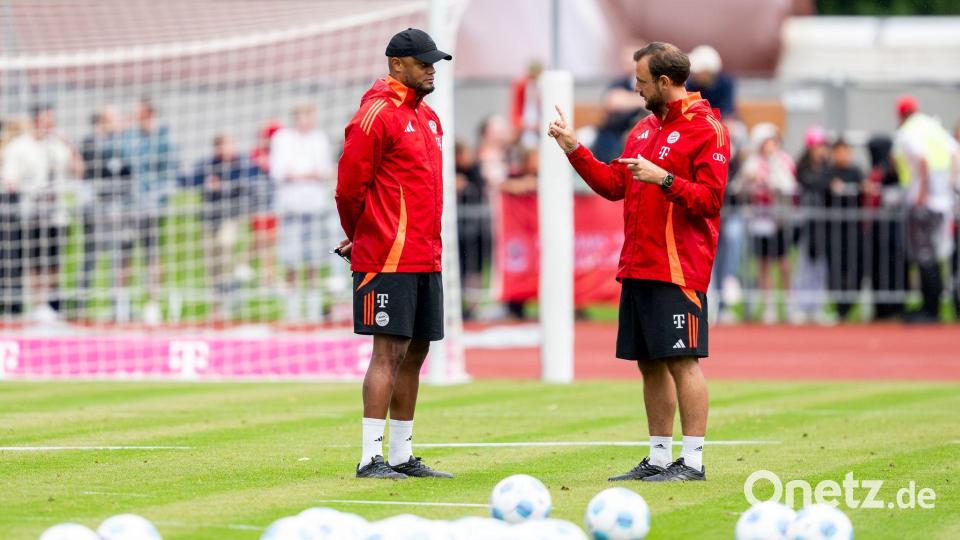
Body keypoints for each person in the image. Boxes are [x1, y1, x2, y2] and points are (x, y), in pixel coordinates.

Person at [548, 42, 729, 481]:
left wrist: (665, 179)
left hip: (678, 265)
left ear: (665, 83)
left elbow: (710, 199)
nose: (636, 88)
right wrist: (574, 148)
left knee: (684, 361)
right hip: (639, 264)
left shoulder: (708, 129)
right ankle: (660, 457)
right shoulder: (644, 129)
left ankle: (694, 462)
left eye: (642, 82)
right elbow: (614, 185)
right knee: (649, 363)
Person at [336, 28, 454, 480]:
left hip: (427, 256)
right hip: (387, 257)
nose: (431, 69)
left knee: (417, 352)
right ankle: (371, 458)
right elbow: (349, 188)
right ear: (396, 64)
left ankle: (403, 455)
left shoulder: (430, 119)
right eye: (423, 62)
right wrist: (360, 235)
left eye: (434, 63)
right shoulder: (376, 114)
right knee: (388, 353)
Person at [892, 95, 959, 323]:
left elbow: (921, 159)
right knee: (932, 254)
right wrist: (949, 185)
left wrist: (923, 192)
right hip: (943, 201)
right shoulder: (933, 126)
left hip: (923, 202)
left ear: (900, 114)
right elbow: (955, 153)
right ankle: (933, 305)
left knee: (923, 254)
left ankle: (931, 308)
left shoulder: (908, 131)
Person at [270, 104, 339, 322]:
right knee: (290, 259)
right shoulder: (283, 138)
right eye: (301, 117)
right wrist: (305, 174)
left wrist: (302, 174)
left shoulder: (319, 139)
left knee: (313, 259)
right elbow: (279, 171)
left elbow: (325, 171)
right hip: (290, 207)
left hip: (314, 207)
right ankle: (291, 311)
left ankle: (311, 310)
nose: (305, 121)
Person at [182, 134, 261, 319]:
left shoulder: (242, 164)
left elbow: (253, 181)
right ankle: (217, 303)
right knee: (212, 263)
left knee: (225, 247)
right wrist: (207, 183)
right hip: (210, 219)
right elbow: (188, 180)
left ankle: (233, 287)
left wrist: (226, 186)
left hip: (231, 217)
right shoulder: (208, 164)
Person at [122, 97, 177, 324]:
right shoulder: (130, 137)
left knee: (152, 254)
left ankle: (152, 303)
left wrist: (159, 199)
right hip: (130, 206)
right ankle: (123, 304)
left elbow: (170, 171)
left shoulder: (163, 138)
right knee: (125, 254)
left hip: (152, 206)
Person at [80, 105, 132, 321]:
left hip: (118, 207)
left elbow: (127, 172)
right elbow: (90, 171)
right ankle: (81, 305)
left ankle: (118, 305)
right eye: (112, 119)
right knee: (91, 257)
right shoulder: (90, 143)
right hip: (97, 207)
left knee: (118, 256)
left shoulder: (122, 144)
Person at [742, 122, 796, 324]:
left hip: (779, 218)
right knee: (764, 263)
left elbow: (789, 185)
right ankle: (769, 305)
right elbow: (744, 185)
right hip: (760, 219)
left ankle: (790, 304)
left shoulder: (783, 160)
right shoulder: (753, 163)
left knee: (783, 262)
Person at [790, 126, 831, 325]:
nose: (821, 151)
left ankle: (816, 307)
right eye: (818, 146)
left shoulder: (825, 167)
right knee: (804, 265)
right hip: (805, 223)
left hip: (822, 224)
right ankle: (799, 307)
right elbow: (814, 184)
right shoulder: (802, 168)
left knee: (820, 267)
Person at [823, 138, 864, 321]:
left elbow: (865, 191)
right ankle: (840, 308)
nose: (842, 155)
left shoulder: (856, 172)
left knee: (856, 268)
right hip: (834, 229)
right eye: (838, 151)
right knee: (836, 269)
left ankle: (849, 306)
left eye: (845, 151)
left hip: (854, 229)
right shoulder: (828, 172)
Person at [592, 44, 649, 163]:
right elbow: (612, 101)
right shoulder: (620, 82)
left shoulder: (650, 82)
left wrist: (627, 99)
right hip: (615, 132)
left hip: (642, 132)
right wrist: (640, 100)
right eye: (625, 60)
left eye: (633, 60)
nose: (628, 64)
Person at [685, 45, 736, 119]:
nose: (695, 74)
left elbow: (727, 110)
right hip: (700, 123)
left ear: (709, 72)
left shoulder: (726, 83)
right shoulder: (690, 85)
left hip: (721, 122)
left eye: (699, 71)